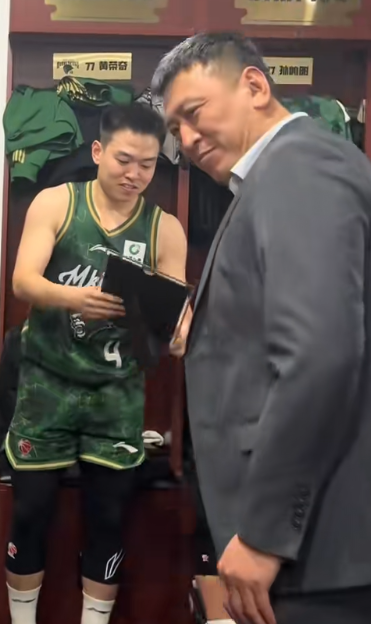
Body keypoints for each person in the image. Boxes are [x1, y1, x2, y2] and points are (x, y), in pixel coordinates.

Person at [152, 31, 371, 624]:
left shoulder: (300, 167)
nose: (187, 140)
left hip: (316, 549)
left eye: (194, 113)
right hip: (308, 548)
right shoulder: (271, 179)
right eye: (175, 129)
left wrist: (265, 533)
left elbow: (320, 354)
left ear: (253, 85)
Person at [6, 103, 190, 624]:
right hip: (46, 386)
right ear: (97, 152)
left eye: (147, 165)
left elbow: (174, 310)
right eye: (124, 160)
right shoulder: (57, 203)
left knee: (109, 520)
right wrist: (75, 298)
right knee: (31, 514)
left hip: (116, 395)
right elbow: (23, 280)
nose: (135, 174)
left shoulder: (164, 229)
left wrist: (179, 333)